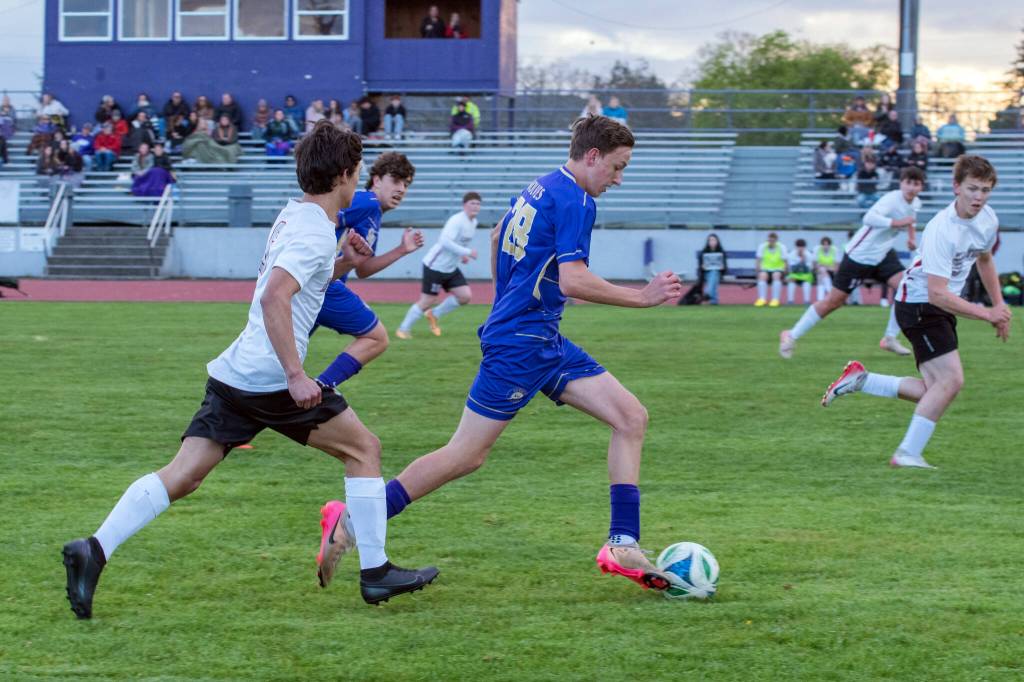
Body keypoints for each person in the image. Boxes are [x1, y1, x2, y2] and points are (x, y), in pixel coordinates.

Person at [61, 121, 438, 621]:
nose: (361, 178)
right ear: (345, 174)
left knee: (184, 474)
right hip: (271, 379)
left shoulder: (297, 215)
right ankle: (376, 573)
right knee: (364, 449)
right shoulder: (311, 230)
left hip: (236, 372)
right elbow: (274, 295)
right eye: (360, 170)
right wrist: (296, 376)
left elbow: (302, 279)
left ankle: (94, 548)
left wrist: (344, 258)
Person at [314, 115, 684, 594]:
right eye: (617, 167)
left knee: (631, 416)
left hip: (538, 338)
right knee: (465, 455)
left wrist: (507, 304)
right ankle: (355, 518)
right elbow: (573, 280)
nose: (618, 179)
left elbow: (497, 240)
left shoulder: (539, 186)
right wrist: (643, 296)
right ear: (592, 156)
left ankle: (622, 543)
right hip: (522, 345)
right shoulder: (576, 198)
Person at [821, 155, 1010, 469]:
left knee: (933, 389)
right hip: (921, 305)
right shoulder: (941, 228)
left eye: (985, 190)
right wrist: (986, 313)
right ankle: (906, 454)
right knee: (951, 382)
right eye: (972, 189)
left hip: (937, 305)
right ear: (956, 187)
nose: (978, 197)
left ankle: (862, 380)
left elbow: (985, 260)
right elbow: (937, 293)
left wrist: (1000, 303)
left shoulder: (988, 218)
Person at [779, 166, 927, 360]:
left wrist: (910, 237)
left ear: (921, 187)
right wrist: (895, 224)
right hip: (860, 256)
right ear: (901, 183)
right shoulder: (891, 199)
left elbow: (911, 219)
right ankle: (791, 335)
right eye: (908, 182)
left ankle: (890, 338)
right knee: (833, 302)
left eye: (916, 184)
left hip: (883, 255)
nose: (911, 187)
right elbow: (868, 218)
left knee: (907, 288)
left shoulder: (916, 202)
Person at [309, 152, 424, 398]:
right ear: (376, 179)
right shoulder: (367, 202)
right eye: (396, 180)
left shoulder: (372, 211)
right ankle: (323, 388)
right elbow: (322, 214)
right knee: (377, 338)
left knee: (276, 360)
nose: (402, 189)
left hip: (316, 284)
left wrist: (402, 250)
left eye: (406, 184)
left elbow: (363, 268)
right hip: (323, 284)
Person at [396, 192, 482, 338]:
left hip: (451, 268)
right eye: (472, 203)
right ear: (464, 205)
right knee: (427, 301)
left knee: (465, 296)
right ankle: (403, 329)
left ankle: (434, 314)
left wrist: (462, 255)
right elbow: (444, 241)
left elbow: (458, 242)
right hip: (435, 266)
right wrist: (467, 251)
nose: (475, 206)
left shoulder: (473, 223)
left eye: (478, 204)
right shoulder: (456, 220)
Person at [754, 232, 788, 307]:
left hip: (778, 269)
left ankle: (775, 299)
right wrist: (757, 272)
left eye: (773, 240)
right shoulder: (762, 246)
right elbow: (758, 260)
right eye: (769, 240)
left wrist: (785, 273)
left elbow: (785, 262)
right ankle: (762, 299)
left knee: (776, 275)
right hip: (766, 269)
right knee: (762, 276)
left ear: (776, 240)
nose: (771, 242)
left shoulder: (782, 247)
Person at [698, 233, 727, 305]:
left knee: (714, 272)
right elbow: (700, 268)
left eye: (714, 240)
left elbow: (725, 268)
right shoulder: (704, 252)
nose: (712, 242)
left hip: (718, 273)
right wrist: (702, 267)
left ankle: (707, 294)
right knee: (713, 275)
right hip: (706, 274)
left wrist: (722, 267)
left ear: (717, 241)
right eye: (710, 240)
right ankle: (714, 300)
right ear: (708, 242)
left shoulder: (721, 252)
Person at [786, 239, 814, 305]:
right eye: (799, 247)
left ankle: (807, 301)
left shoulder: (809, 255)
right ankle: (790, 301)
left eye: (802, 247)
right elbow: (792, 269)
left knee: (806, 284)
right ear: (796, 247)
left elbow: (808, 270)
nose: (800, 249)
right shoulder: (791, 255)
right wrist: (800, 262)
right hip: (795, 276)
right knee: (791, 282)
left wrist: (803, 260)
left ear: (805, 247)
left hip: (805, 276)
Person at [814, 236, 838, 301]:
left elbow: (836, 267)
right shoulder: (818, 250)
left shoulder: (834, 250)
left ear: (830, 245)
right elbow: (816, 265)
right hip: (821, 271)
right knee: (821, 273)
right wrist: (825, 267)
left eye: (827, 244)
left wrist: (825, 266)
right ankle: (828, 296)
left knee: (822, 273)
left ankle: (821, 299)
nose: (825, 246)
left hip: (832, 272)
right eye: (824, 244)